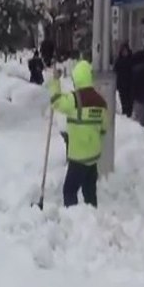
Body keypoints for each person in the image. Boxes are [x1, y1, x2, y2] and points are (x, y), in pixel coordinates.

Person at [49, 61, 108, 207]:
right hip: (93, 156)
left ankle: (73, 221)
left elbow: (56, 102)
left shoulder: (74, 99)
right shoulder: (101, 102)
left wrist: (56, 81)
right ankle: (93, 218)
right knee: (89, 191)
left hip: (78, 157)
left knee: (69, 190)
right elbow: (104, 128)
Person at [113, 43, 134, 117]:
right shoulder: (119, 61)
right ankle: (125, 112)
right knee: (124, 99)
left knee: (130, 99)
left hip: (130, 84)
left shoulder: (131, 60)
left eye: (126, 51)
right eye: (123, 51)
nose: (124, 53)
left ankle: (129, 112)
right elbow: (115, 71)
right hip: (122, 84)